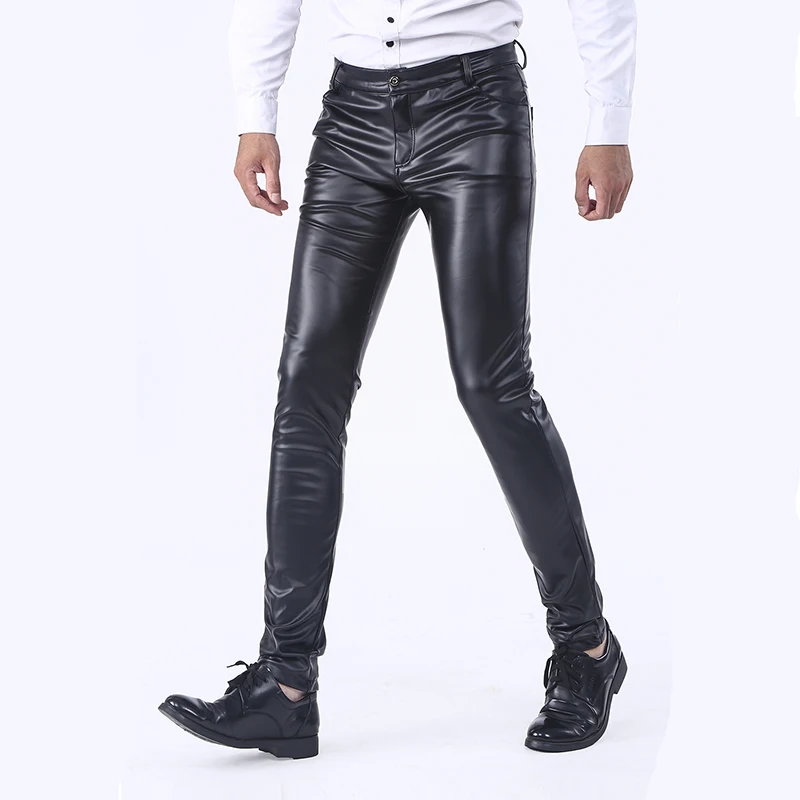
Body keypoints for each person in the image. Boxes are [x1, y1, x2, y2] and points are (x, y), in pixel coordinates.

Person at [159, 0, 636, 759]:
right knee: (306, 386)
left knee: (492, 385)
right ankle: (285, 684)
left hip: (476, 109)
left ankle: (586, 648)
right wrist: (256, 111)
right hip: (351, 115)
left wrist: (608, 123)